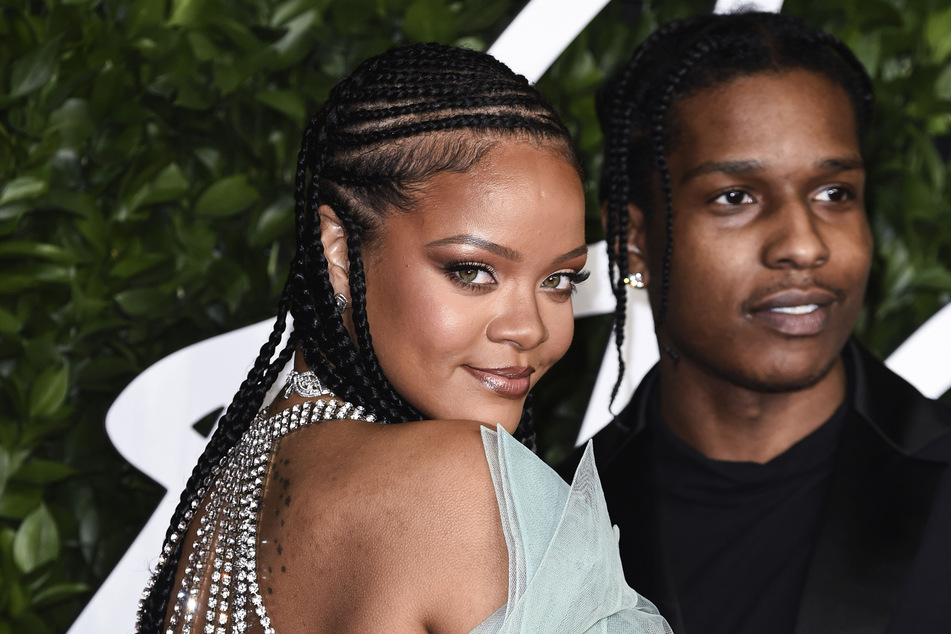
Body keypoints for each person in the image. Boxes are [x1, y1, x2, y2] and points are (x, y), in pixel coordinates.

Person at [135, 43, 672, 634]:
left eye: (559, 280)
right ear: (338, 251)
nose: (529, 328)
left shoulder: (238, 485)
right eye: (472, 271)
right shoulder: (463, 488)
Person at [559, 11, 951, 634]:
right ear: (632, 239)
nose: (803, 244)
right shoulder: (551, 523)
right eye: (736, 197)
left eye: (834, 193)